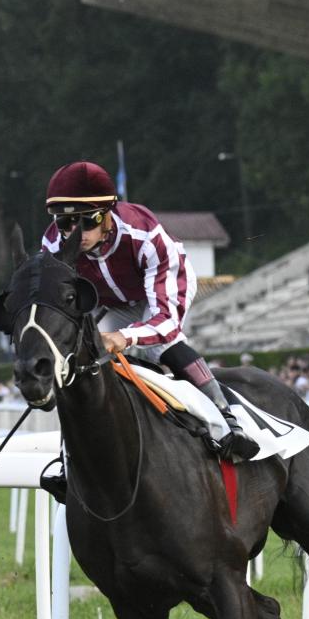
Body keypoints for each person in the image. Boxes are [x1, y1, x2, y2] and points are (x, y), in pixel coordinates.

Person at [37, 161, 258, 499]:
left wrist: (124, 337)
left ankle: (229, 423)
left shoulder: (145, 235)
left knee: (162, 345)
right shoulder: (53, 245)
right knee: (80, 358)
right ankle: (70, 460)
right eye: (64, 222)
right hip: (109, 301)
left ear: (107, 215)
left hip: (157, 293)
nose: (75, 233)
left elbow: (165, 319)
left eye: (87, 221)